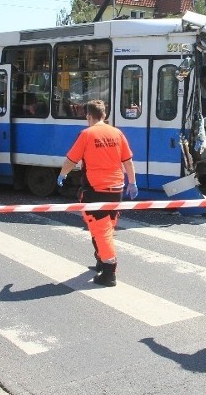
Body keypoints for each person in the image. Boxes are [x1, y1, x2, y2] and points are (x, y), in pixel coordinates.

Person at [57, 100, 138, 287]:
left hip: (95, 190)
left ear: (89, 116)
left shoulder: (87, 134)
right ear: (104, 115)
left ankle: (109, 272)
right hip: (116, 189)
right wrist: (132, 182)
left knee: (100, 231)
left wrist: (62, 174)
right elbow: (128, 161)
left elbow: (71, 159)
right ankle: (101, 259)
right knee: (105, 228)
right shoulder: (117, 133)